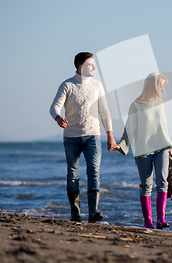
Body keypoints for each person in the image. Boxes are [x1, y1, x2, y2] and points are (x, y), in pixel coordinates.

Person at [50, 52, 116, 223]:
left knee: (94, 173)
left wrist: (110, 135)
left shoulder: (97, 86)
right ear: (81, 67)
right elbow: (54, 106)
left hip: (93, 136)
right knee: (73, 174)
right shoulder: (67, 85)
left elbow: (105, 111)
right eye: (90, 64)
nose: (94, 67)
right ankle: (75, 213)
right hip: (71, 137)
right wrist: (58, 117)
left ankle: (93, 212)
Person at [114, 72, 172, 229]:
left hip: (162, 148)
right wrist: (122, 145)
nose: (162, 89)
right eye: (161, 86)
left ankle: (161, 220)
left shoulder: (160, 104)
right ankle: (148, 222)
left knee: (162, 182)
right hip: (144, 150)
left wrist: (169, 146)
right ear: (153, 86)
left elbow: (163, 127)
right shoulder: (136, 106)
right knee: (146, 185)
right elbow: (130, 129)